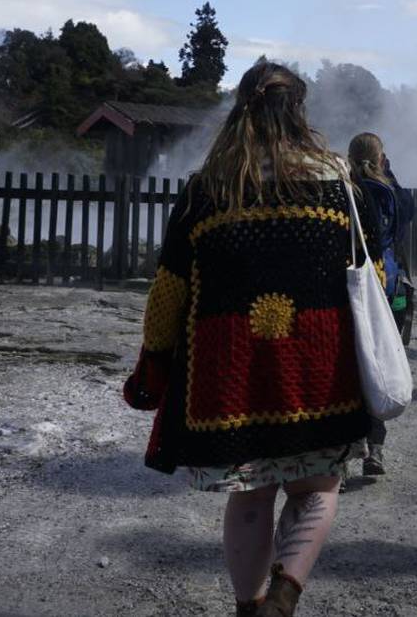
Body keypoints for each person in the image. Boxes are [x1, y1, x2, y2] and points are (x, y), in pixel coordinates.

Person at [123, 61, 376, 617]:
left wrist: (154, 363)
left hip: (229, 371)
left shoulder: (206, 188)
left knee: (251, 497)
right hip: (319, 367)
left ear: (240, 109)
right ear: (299, 112)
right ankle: (284, 595)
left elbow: (169, 290)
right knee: (317, 489)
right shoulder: (338, 182)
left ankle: (248, 607)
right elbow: (370, 277)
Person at [347, 132, 415, 477]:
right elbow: (408, 213)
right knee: (376, 362)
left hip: (347, 284)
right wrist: (389, 173)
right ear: (381, 158)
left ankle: (342, 458)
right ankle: (376, 449)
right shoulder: (389, 192)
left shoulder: (344, 189)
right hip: (385, 283)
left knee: (347, 366)